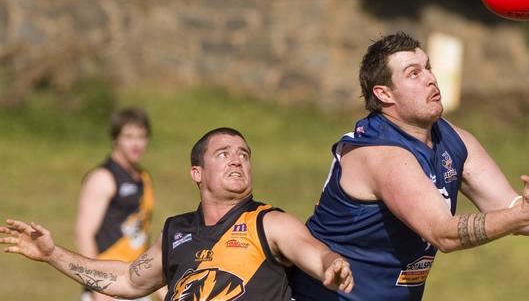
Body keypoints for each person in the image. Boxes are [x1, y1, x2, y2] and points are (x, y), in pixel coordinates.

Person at [290, 32, 529, 301]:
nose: (431, 79)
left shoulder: (453, 140)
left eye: (428, 67)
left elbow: (509, 210)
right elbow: (443, 234)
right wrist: (522, 215)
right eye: (413, 74)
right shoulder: (382, 155)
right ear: (384, 94)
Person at [0, 127, 354, 300]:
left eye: (244, 154)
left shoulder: (269, 222)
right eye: (223, 153)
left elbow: (311, 251)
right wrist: (52, 254)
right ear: (196, 173)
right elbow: (129, 281)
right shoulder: (176, 231)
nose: (237, 159)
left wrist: (330, 263)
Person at [74, 107, 163, 301]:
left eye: (142, 137)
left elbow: (141, 235)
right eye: (129, 136)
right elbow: (83, 235)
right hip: (108, 285)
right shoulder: (103, 178)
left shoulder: (144, 178)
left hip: (136, 282)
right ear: (115, 138)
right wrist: (100, 287)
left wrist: (159, 284)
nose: (136, 144)